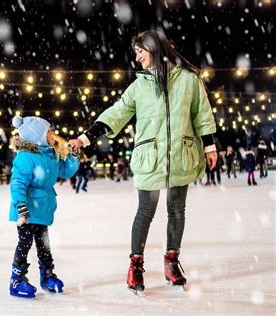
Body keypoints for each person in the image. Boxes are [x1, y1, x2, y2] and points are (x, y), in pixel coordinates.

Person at [68, 30, 218, 294]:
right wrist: (85, 137)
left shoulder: (188, 79)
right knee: (146, 211)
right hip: (151, 158)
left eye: (140, 51)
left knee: (177, 210)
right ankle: (135, 265)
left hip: (181, 154)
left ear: (154, 49)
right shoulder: (140, 85)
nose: (136, 58)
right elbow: (117, 113)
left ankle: (172, 261)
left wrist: (210, 145)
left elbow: (202, 113)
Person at [8, 116, 80, 298]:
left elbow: (65, 171)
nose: (52, 134)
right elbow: (17, 183)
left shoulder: (50, 155)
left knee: (44, 244)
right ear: (37, 136)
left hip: (43, 209)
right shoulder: (25, 157)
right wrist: (21, 206)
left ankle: (47, 276)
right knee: (25, 243)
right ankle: (17, 280)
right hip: (26, 210)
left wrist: (73, 156)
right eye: (48, 131)